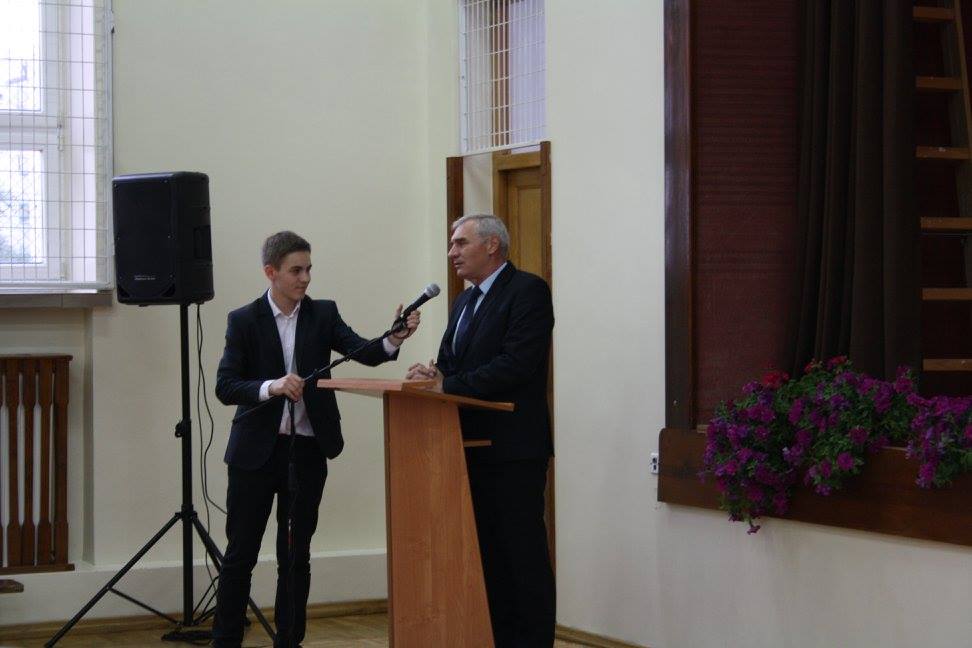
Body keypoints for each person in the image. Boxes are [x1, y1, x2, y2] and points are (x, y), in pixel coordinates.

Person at [212, 231, 419, 648]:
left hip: (306, 451)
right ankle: (225, 640)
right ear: (271, 272)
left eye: (309, 269)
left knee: (295, 555)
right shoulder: (244, 319)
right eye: (296, 270)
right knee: (240, 555)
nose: (305, 278)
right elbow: (226, 385)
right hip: (254, 455)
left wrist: (394, 337)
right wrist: (271, 386)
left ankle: (290, 640)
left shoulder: (323, 314)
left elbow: (363, 350)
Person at [406, 213, 555, 647]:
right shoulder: (463, 302)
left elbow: (516, 364)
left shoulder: (527, 291)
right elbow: (451, 364)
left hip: (512, 449)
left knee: (520, 556)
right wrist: (432, 375)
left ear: (492, 245)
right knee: (486, 556)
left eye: (460, 243)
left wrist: (448, 385)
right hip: (466, 445)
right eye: (452, 244)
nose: (451, 252)